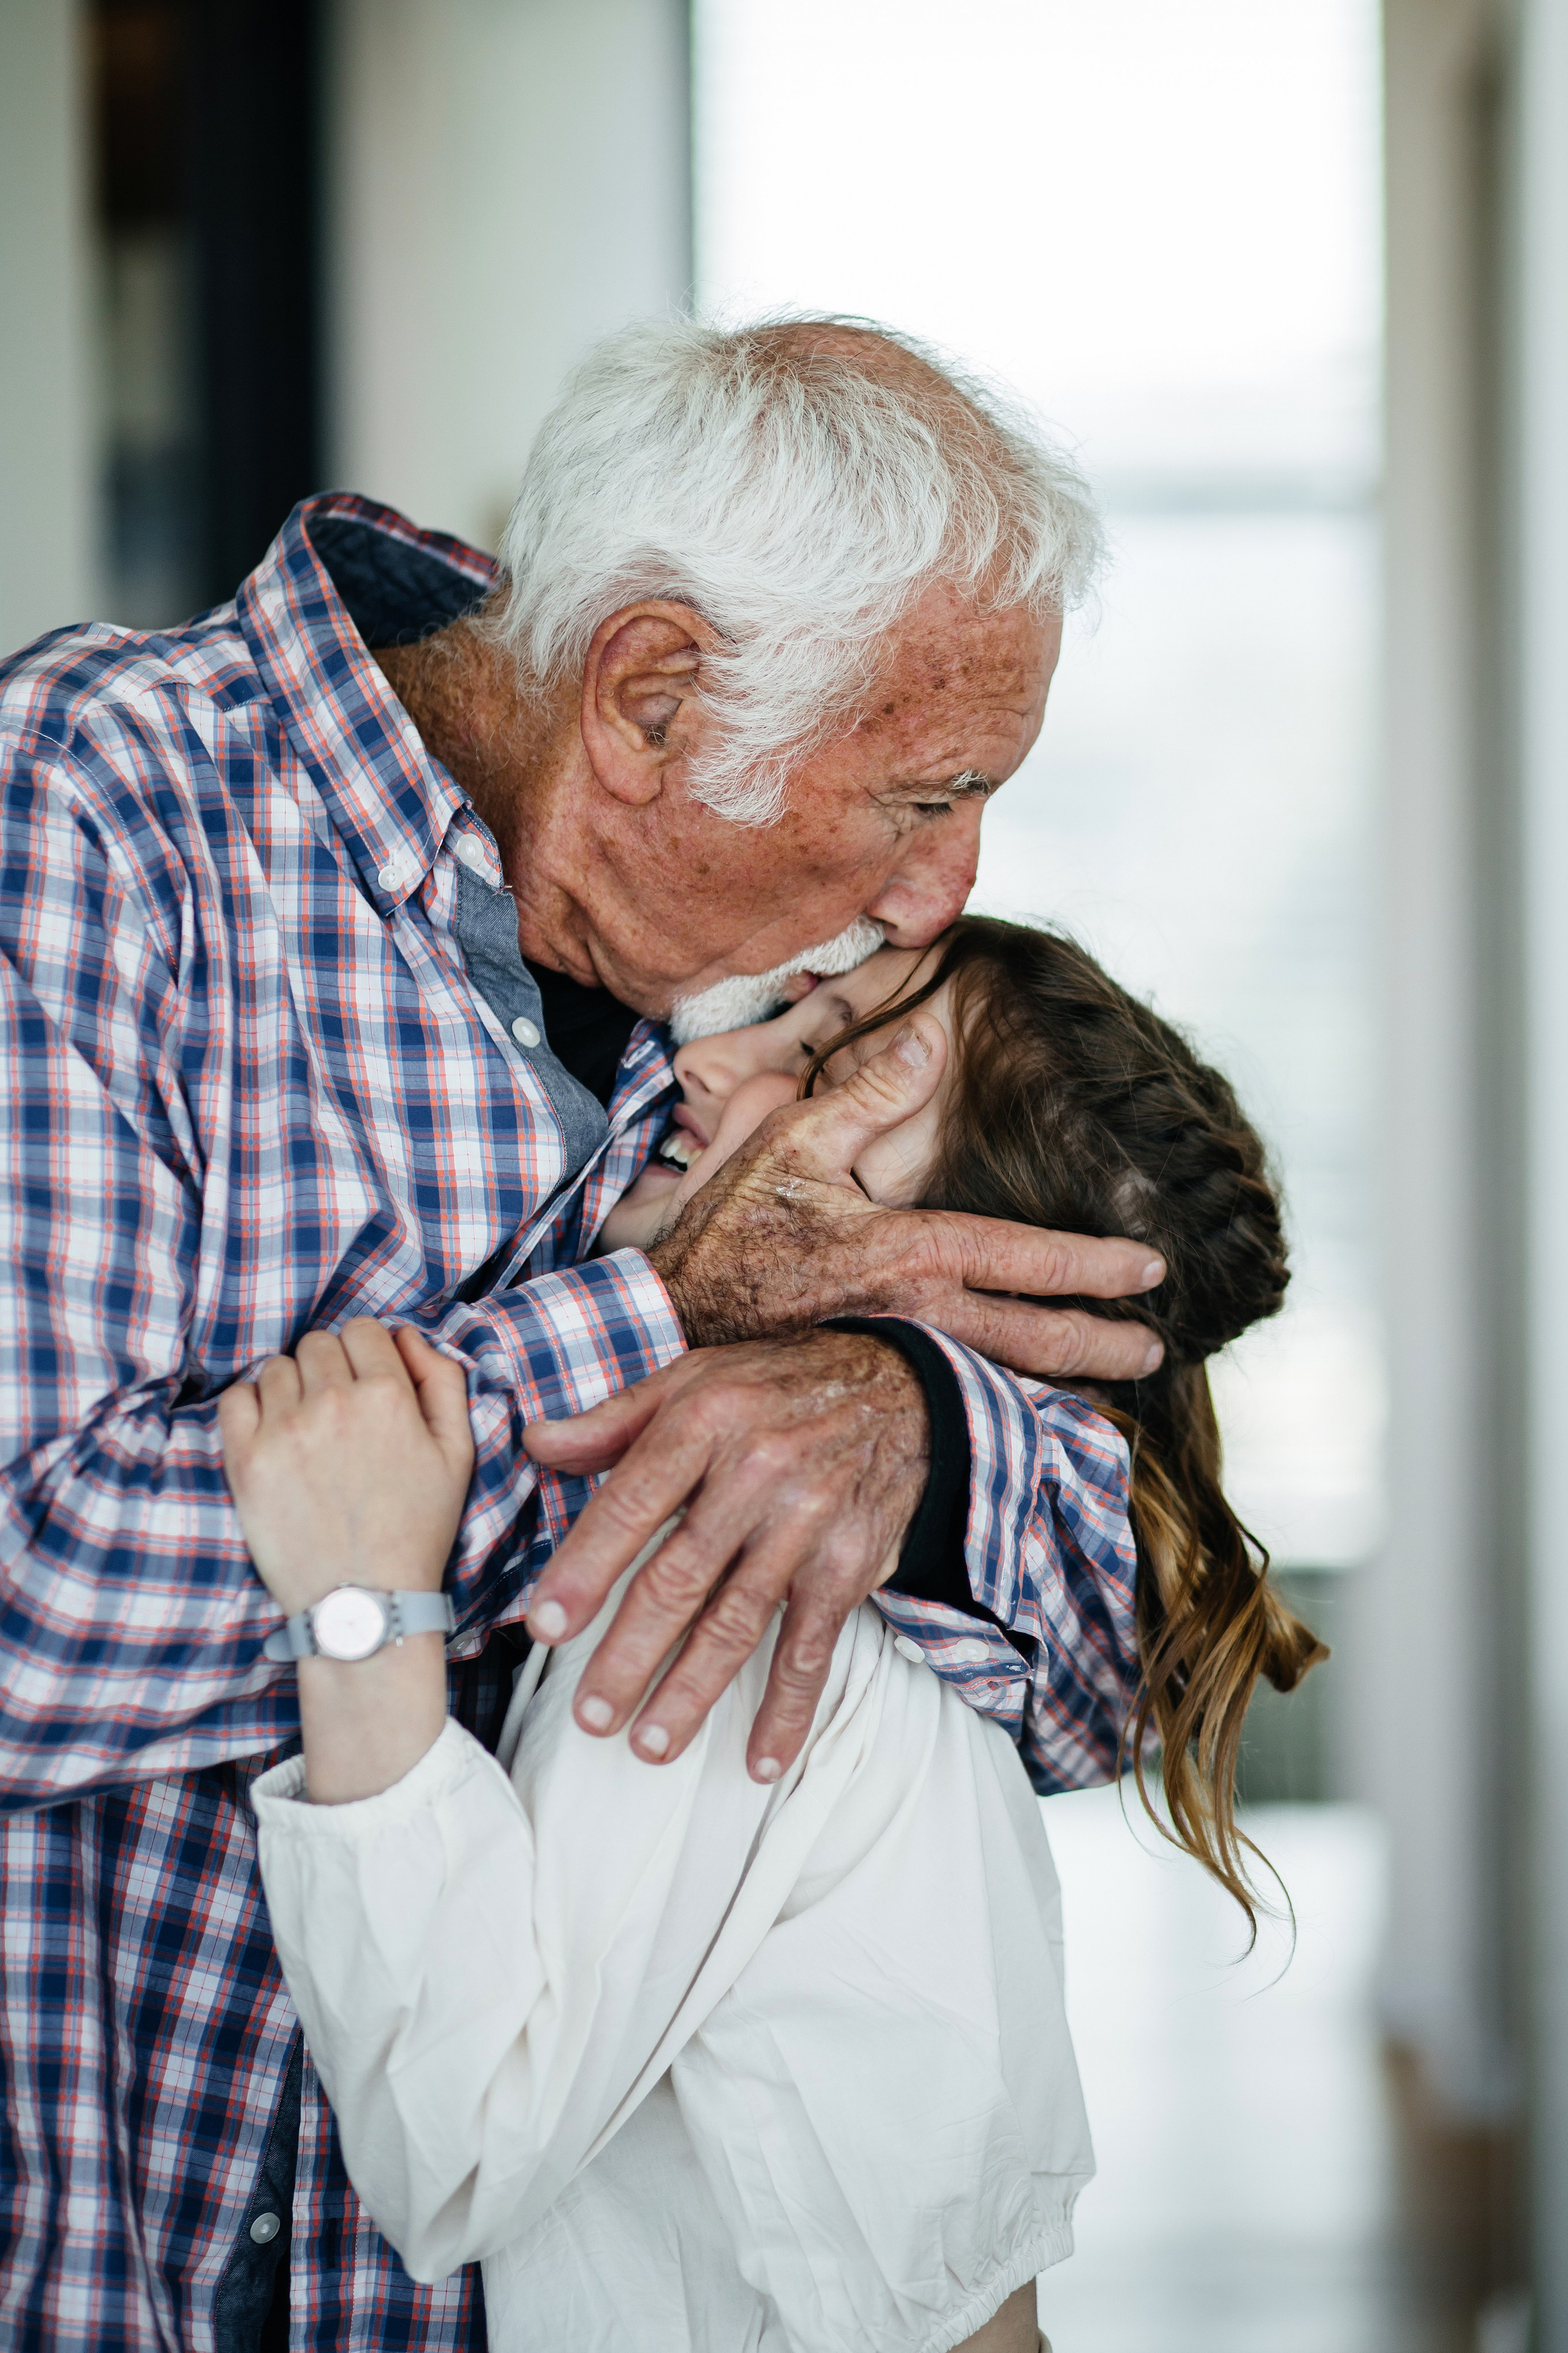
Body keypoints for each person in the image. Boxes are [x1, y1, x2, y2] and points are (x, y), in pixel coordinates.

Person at [0, 320, 1166, 2350]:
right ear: (645, 698)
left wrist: (912, 1418)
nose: (941, 896)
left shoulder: (787, 1017)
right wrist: (657, 1328)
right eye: (923, 797)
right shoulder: (91, 810)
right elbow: (26, 1604)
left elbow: (1127, 1659)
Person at [219, 919, 1325, 2353]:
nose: (707, 1059)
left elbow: (459, 2153)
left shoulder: (751, 1590)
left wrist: (359, 1601)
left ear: (938, 1262)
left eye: (816, 1072)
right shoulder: (885, 1572)